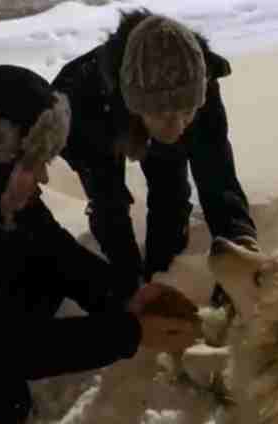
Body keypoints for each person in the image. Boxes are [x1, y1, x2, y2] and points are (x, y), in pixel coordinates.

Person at [0, 64, 199, 424]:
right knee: (0, 401)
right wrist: (128, 334)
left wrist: (126, 294)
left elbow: (51, 245)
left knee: (42, 273)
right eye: (33, 166)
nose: (44, 179)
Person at [52, 8, 259, 304]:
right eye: (163, 113)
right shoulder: (81, 103)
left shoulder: (198, 81)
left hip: (140, 113)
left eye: (186, 112)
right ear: (137, 105)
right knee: (113, 212)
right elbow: (109, 206)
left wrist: (240, 249)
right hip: (101, 113)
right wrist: (130, 287)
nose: (176, 126)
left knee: (170, 191)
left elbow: (218, 179)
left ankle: (164, 272)